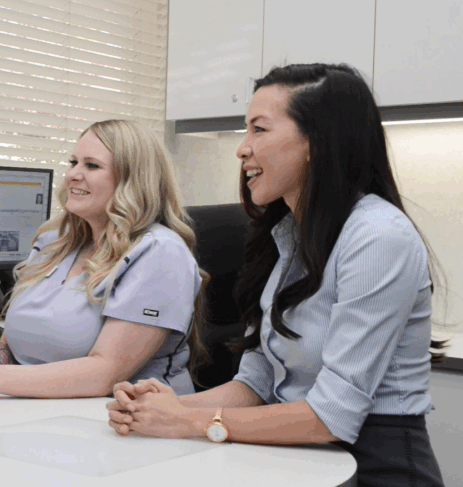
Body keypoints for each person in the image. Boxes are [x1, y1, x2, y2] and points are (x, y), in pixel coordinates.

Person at [107, 63, 445, 487]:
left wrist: (192, 422)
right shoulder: (285, 235)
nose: (242, 148)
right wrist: (168, 406)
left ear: (316, 142)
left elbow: (330, 418)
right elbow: (258, 380)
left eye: (259, 130)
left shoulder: (378, 237)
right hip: (297, 455)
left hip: (375, 463)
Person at [0, 119, 208, 403]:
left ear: (132, 180)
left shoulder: (160, 254)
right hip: (41, 416)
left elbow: (105, 374)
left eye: (92, 165)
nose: (73, 173)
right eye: (73, 162)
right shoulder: (54, 243)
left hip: (131, 425)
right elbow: (9, 351)